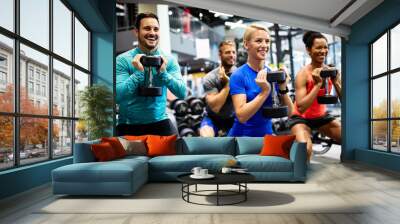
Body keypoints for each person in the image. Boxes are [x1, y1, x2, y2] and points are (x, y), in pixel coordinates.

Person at [116, 12, 186, 136]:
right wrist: (138, 73)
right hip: (129, 125)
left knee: (176, 149)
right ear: (136, 32)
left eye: (156, 29)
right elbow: (118, 96)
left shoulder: (168, 60)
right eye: (147, 28)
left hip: (160, 122)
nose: (152, 33)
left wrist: (163, 74)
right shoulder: (123, 60)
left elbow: (182, 92)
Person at [228, 24, 293, 137]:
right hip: (242, 139)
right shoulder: (238, 75)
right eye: (259, 41)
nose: (264, 45)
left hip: (266, 135)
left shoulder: (272, 74)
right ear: (246, 44)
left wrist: (282, 87)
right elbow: (242, 116)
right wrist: (264, 92)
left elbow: (291, 113)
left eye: (267, 41)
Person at [288, 31, 342, 160]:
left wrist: (336, 82)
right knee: (305, 151)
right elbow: (301, 108)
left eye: (325, 47)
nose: (323, 51)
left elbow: (345, 101)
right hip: (300, 118)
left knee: (350, 139)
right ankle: (295, 143)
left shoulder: (329, 71)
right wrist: (318, 85)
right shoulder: (303, 74)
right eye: (318, 47)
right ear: (308, 50)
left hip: (321, 117)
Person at [199, 40, 237, 137]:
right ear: (220, 54)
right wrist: (228, 84)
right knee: (206, 136)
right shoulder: (210, 78)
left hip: (233, 118)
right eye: (227, 52)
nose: (232, 55)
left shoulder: (240, 75)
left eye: (233, 52)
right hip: (213, 118)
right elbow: (215, 107)